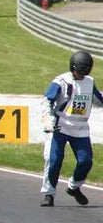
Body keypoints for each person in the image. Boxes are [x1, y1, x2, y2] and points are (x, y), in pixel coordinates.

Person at [39, 50, 102, 207]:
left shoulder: (89, 82)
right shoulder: (61, 81)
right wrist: (48, 119)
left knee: (86, 161)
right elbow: (47, 100)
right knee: (54, 160)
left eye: (84, 72)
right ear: (73, 67)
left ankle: (74, 187)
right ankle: (49, 193)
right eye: (79, 72)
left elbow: (99, 99)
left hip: (80, 128)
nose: (81, 75)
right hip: (60, 127)